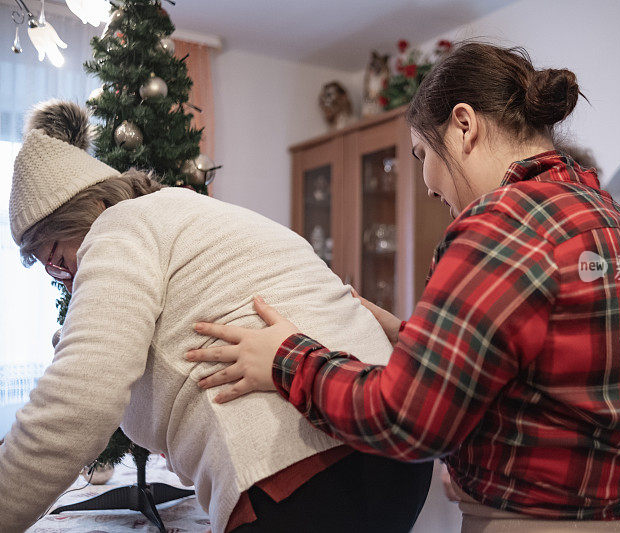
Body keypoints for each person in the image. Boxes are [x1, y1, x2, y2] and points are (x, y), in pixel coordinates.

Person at [189, 42, 620, 532]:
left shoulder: (503, 222)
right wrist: (409, 333)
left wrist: (287, 359)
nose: (428, 184)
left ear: (463, 126)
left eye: (421, 153)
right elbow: (551, 365)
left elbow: (405, 418)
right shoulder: (610, 216)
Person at [0, 100, 431, 532]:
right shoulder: (189, 212)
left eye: (57, 261)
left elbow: (81, 394)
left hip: (299, 475)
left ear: (89, 213)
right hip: (393, 443)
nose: (67, 283)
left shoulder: (116, 228)